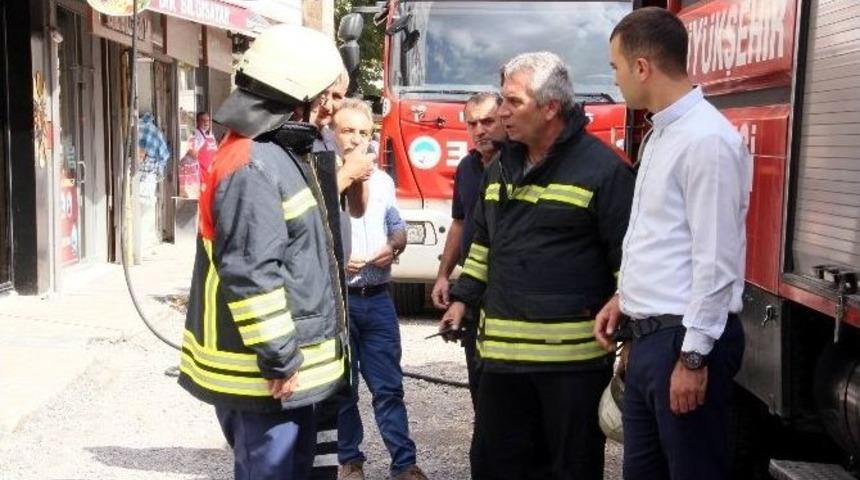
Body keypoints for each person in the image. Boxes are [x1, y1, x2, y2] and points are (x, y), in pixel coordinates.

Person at [439, 52, 635, 480]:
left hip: (571, 371)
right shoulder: (499, 169)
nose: (501, 112)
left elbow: (628, 263)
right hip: (500, 366)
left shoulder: (604, 171)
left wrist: (631, 339)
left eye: (512, 102)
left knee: (569, 469)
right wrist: (463, 298)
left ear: (550, 108)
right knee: (495, 467)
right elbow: (484, 246)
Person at [177, 24, 350, 480]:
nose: (331, 110)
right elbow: (253, 272)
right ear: (297, 92)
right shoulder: (253, 163)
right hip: (267, 380)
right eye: (327, 97)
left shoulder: (272, 153)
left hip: (280, 378)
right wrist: (280, 356)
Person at [594, 7, 751, 480]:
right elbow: (662, 239)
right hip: (652, 341)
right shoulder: (661, 135)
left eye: (616, 68)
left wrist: (694, 356)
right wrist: (626, 300)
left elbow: (716, 260)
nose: (616, 80)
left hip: (684, 341)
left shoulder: (706, 141)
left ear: (642, 67)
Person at [333, 99, 428, 480]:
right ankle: (350, 462)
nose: (356, 140)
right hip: (341, 303)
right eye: (347, 131)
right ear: (332, 134)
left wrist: (396, 245)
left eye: (364, 132)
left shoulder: (384, 181)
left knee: (389, 388)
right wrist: (338, 264)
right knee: (344, 390)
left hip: (378, 301)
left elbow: (397, 226)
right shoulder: (325, 176)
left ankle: (404, 464)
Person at [308, 70, 373, 480]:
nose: (331, 103)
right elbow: (312, 207)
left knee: (340, 388)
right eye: (328, 96)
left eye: (364, 132)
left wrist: (357, 171)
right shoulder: (309, 147)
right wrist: (347, 171)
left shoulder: (337, 155)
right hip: (317, 289)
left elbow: (358, 210)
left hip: (340, 290)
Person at [431, 91, 505, 410]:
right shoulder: (467, 167)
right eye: (472, 123)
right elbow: (459, 224)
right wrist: (443, 275)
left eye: (487, 121)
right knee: (478, 382)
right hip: (472, 291)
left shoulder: (518, 166)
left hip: (504, 291)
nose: (479, 130)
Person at [188, 111, 218, 182]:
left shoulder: (211, 135)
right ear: (197, 122)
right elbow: (192, 154)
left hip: (212, 172)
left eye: (207, 120)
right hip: (202, 174)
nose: (206, 122)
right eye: (203, 120)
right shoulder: (195, 135)